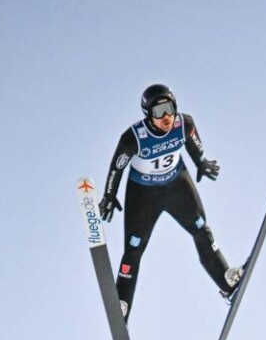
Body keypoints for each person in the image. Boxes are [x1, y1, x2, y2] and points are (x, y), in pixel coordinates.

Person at [99, 84, 244, 322]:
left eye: (169, 109)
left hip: (177, 185)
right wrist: (109, 194)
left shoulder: (184, 124)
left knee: (201, 230)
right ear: (148, 116)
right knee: (133, 249)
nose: (166, 117)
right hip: (143, 194)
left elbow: (193, 144)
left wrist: (202, 163)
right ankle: (122, 303)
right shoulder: (132, 138)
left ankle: (226, 280)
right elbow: (117, 166)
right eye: (158, 112)